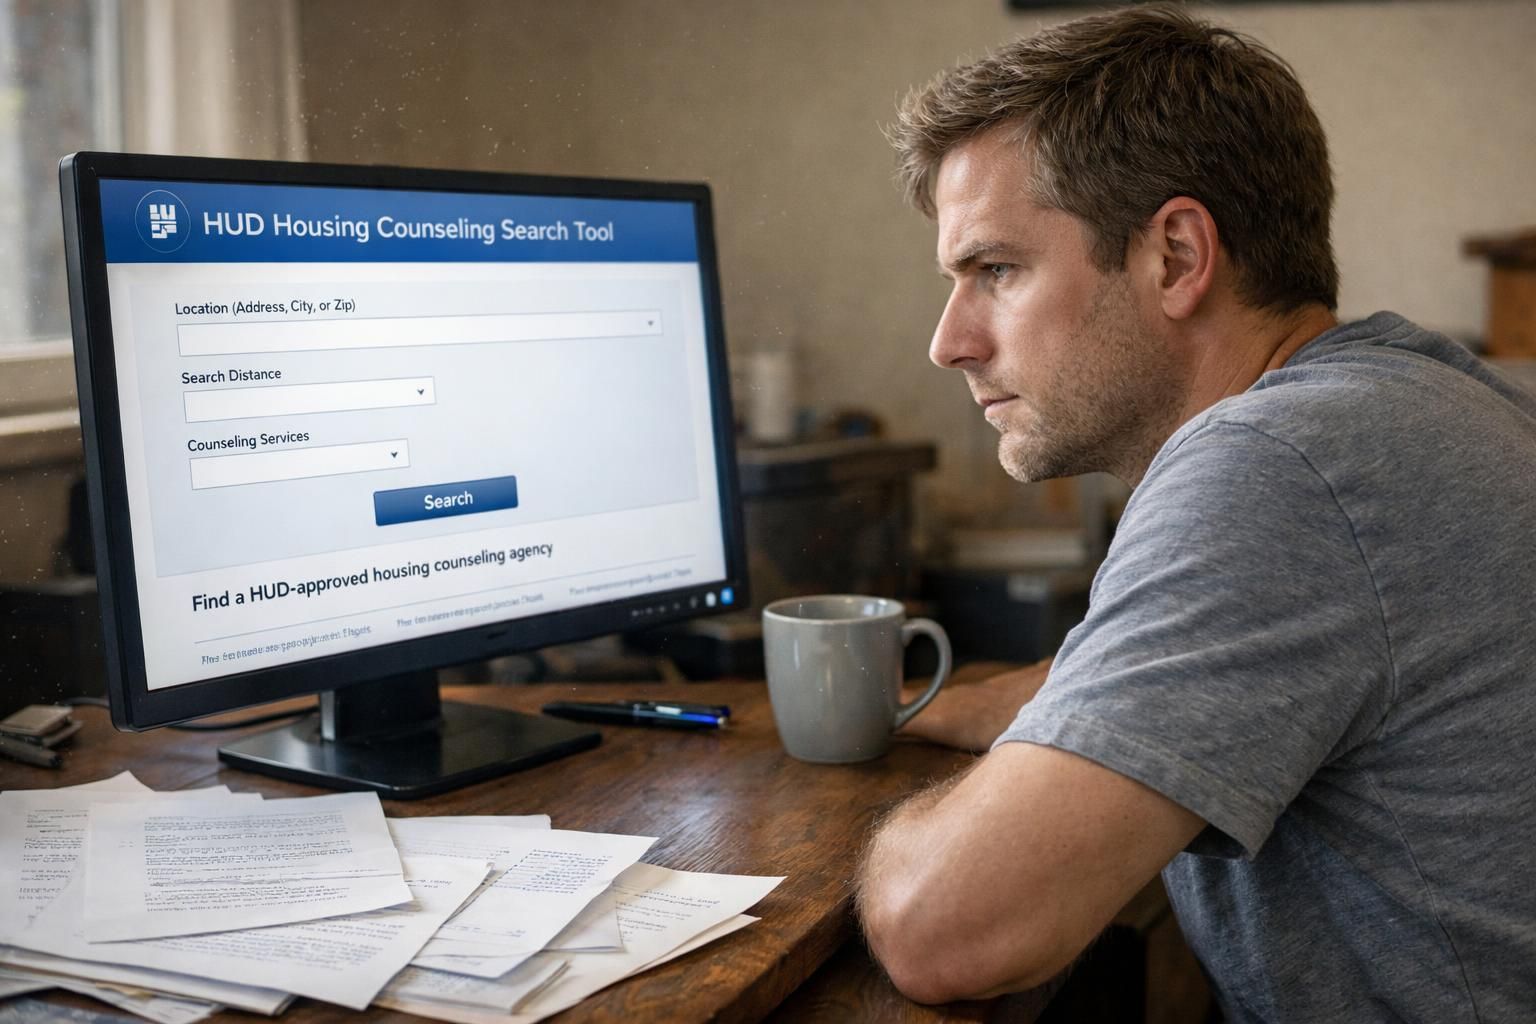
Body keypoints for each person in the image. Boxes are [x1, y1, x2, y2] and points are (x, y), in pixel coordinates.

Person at [854, 5, 1536, 1021]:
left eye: (995, 270)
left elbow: (940, 927)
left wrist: (867, 828)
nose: (949, 341)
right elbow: (1155, 677)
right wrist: (931, 711)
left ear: (1175, 255)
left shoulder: (1277, 467)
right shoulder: (1428, 391)